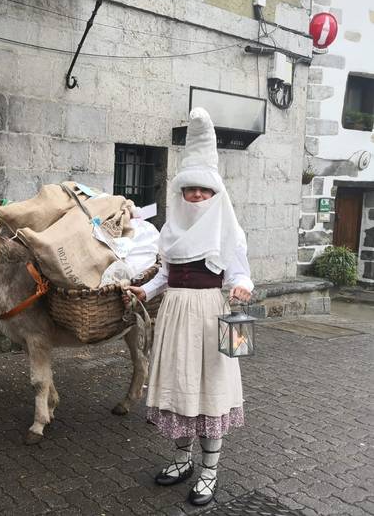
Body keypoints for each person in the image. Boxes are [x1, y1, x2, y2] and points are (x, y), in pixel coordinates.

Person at [123, 108, 253, 505]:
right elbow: (166, 273)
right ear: (180, 193)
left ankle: (210, 471)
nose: (196, 196)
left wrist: (243, 287)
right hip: (176, 316)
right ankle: (183, 460)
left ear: (216, 195)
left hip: (211, 315)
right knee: (180, 388)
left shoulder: (227, 230)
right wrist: (147, 292)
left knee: (209, 390)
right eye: (189, 190)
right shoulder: (170, 231)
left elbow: (239, 273)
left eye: (204, 191)